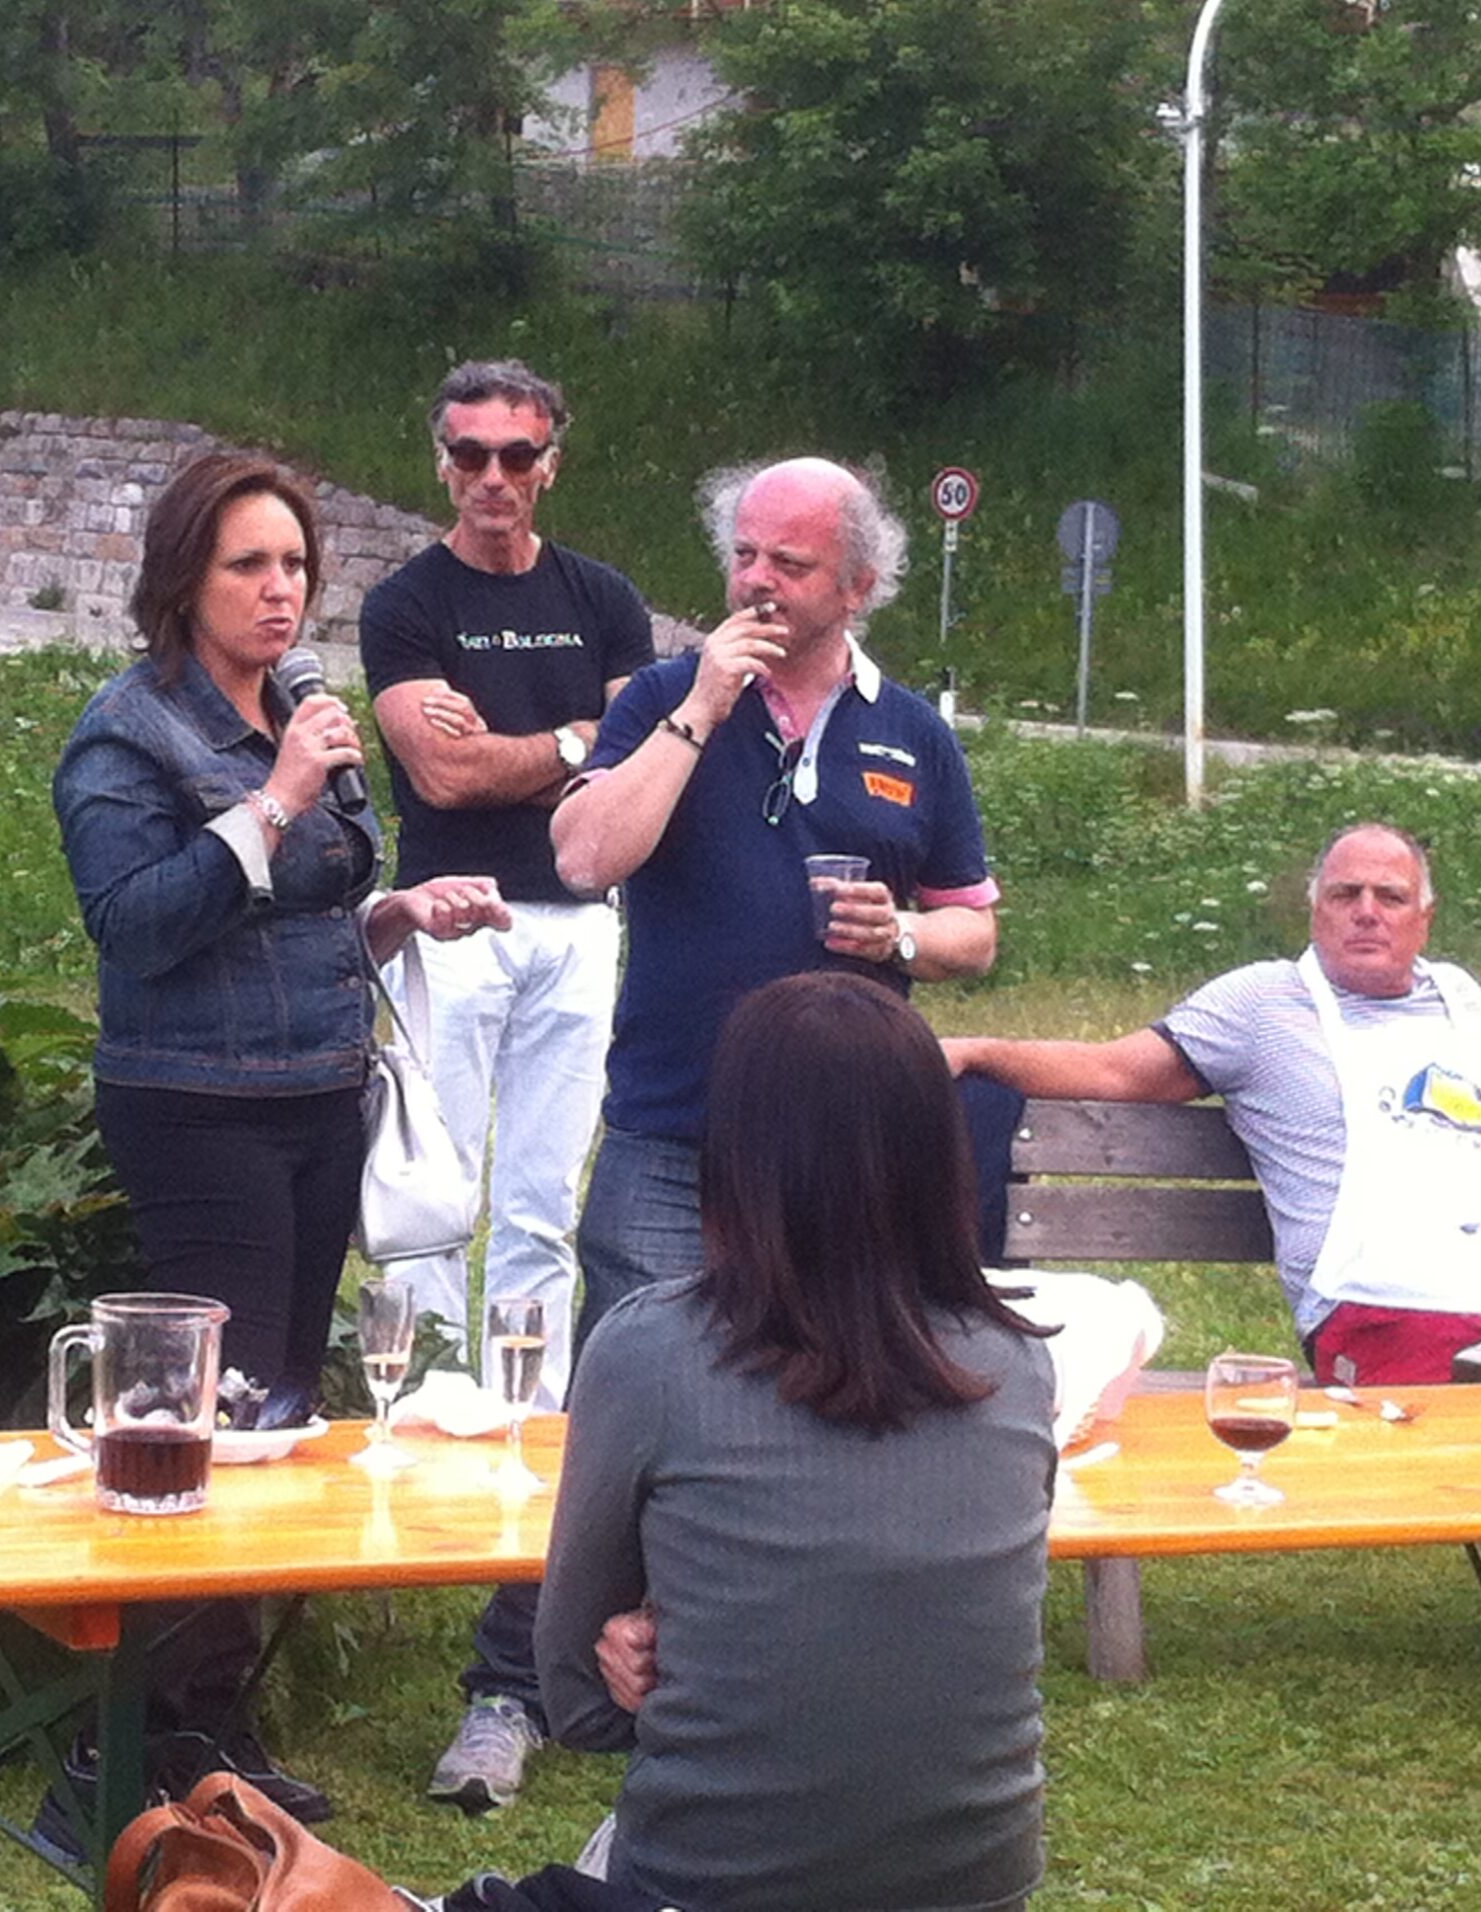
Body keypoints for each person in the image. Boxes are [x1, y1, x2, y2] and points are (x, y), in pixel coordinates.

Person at [945, 821, 1481, 1752]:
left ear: (1425, 917)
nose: (1368, 912)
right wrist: (977, 1048)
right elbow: (1119, 1069)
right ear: (1316, 910)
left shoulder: (1460, 997)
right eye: (1346, 895)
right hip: (1385, 1299)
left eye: (1390, 897)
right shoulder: (1260, 1004)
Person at [51, 450, 510, 1823]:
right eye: (248, 564)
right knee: (215, 1422)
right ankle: (123, 1750)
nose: (280, 591)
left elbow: (305, 906)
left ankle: (212, 1723)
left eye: (296, 565)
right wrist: (276, 801)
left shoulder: (301, 707)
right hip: (198, 1110)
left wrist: (397, 916)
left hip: (320, 1097)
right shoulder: (129, 733)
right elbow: (136, 925)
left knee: (280, 1415)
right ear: (183, 577)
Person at [536, 971, 1056, 1912]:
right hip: (981, 1887)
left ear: (734, 1151)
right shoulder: (1016, 1365)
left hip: (707, 1886)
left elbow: (575, 1699)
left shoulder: (651, 1351)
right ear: (940, 1152)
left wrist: (663, 1646)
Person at [359, 358, 656, 1813]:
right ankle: (409, 1447)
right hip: (450, 918)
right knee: (431, 1197)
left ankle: (524, 1453)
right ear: (439, 459)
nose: (493, 476)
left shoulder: (605, 598)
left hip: (578, 927)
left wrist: (540, 752)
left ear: (553, 461)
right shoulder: (404, 602)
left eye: (517, 454)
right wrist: (575, 745)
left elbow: (624, 766)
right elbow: (444, 779)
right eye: (469, 452)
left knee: (540, 1203)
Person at [550, 455, 1003, 1338]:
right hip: (673, 1133)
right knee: (638, 1374)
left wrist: (902, 934)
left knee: (833, 1383)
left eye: (789, 564)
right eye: (744, 554)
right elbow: (583, 860)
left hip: (847, 1144)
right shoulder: (663, 696)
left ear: (858, 588)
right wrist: (702, 708)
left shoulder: (913, 733)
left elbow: (974, 931)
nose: (757, 580)